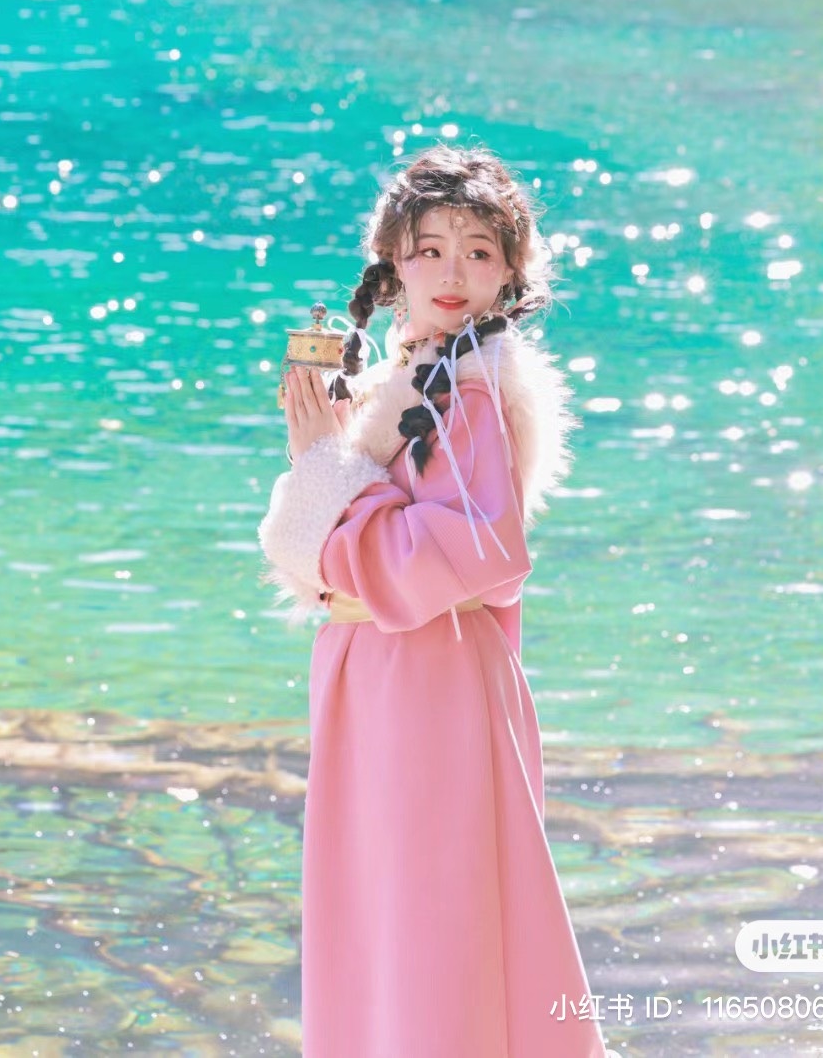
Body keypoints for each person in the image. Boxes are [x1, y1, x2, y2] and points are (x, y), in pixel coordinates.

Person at [257, 143, 609, 1058]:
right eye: (431, 250)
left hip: (429, 681)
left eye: (479, 252)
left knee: (425, 917)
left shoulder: (472, 394)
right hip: (389, 672)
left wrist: (331, 482)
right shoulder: (408, 383)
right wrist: (327, 462)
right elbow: (347, 540)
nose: (453, 273)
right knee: (393, 911)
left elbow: (479, 552)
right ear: (394, 263)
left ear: (508, 274)